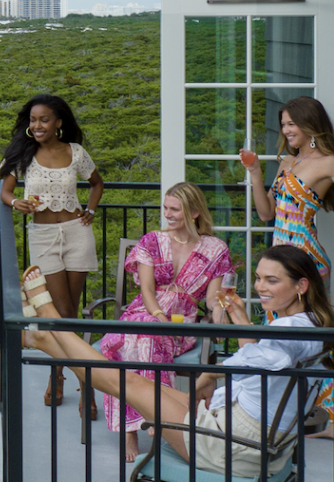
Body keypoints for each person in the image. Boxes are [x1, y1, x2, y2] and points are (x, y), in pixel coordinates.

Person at [19, 245, 334, 477]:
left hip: (234, 447)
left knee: (124, 380)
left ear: (301, 285)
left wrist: (212, 374)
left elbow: (267, 357)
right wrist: (239, 318)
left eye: (271, 281)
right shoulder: (313, 323)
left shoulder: (292, 332)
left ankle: (50, 321)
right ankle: (46, 339)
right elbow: (264, 359)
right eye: (259, 278)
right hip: (247, 432)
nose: (260, 286)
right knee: (136, 381)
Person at [96, 182, 234, 462]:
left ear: (194, 212)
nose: (167, 214)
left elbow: (211, 298)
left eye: (175, 209)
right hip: (146, 312)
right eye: (165, 208)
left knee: (141, 340)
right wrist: (158, 316)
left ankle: (138, 423)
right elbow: (146, 290)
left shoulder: (215, 249)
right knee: (131, 338)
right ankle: (145, 422)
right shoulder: (152, 241)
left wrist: (219, 317)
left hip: (181, 323)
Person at [0, 93, 105, 410]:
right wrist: (16, 202)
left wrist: (92, 210)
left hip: (77, 233)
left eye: (44, 119)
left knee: (68, 313)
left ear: (59, 122)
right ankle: (85, 382)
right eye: (33, 120)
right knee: (62, 315)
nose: (37, 125)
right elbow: (5, 191)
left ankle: (61, 378)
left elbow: (97, 184)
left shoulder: (76, 153)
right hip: (42, 236)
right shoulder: (23, 154)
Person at [239, 96, 334, 278]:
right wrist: (254, 171)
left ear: (310, 125)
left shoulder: (329, 163)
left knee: (304, 309)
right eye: (283, 125)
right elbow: (266, 214)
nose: (285, 130)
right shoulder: (287, 162)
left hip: (306, 262)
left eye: (291, 124)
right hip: (279, 261)